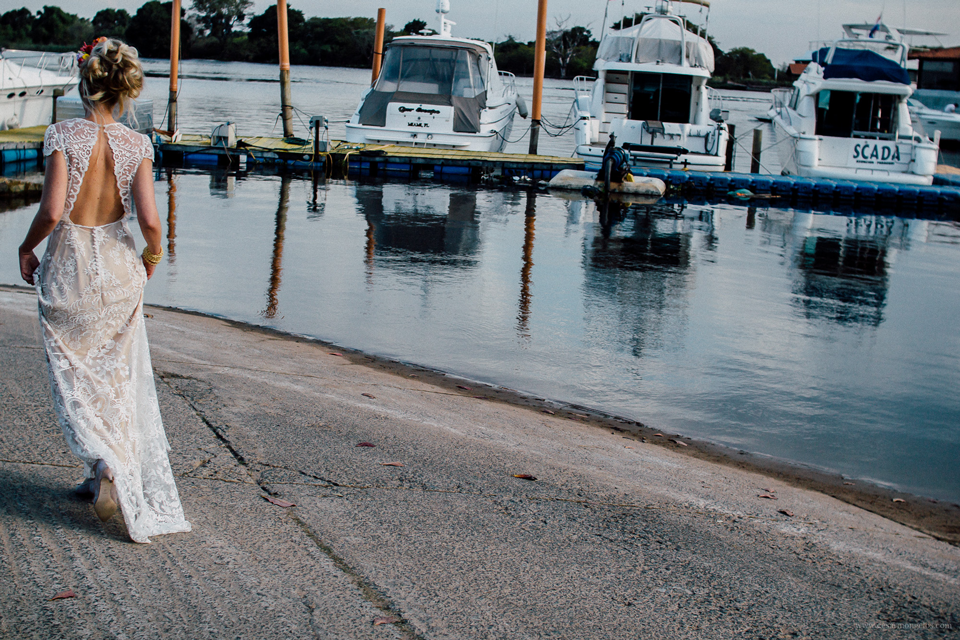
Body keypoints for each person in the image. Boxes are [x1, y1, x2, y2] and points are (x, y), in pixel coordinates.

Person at [17, 38, 191, 543]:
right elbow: (152, 224)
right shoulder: (138, 145)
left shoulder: (61, 133)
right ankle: (103, 471)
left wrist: (26, 249)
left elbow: (52, 213)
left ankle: (105, 467)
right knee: (115, 373)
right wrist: (150, 259)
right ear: (123, 89)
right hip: (118, 271)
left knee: (75, 371)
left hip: (70, 267)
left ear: (85, 81)